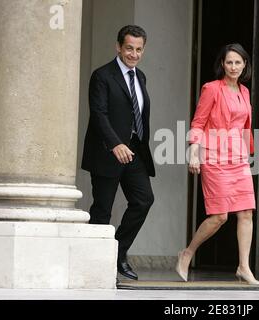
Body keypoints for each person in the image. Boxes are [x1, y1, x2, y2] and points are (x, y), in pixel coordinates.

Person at [176, 43, 259, 285]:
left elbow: (245, 126)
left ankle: (243, 267)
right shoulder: (212, 89)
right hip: (214, 155)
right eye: (229, 62)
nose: (233, 67)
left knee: (246, 213)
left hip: (239, 158)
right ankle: (188, 253)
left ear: (244, 65)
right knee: (220, 216)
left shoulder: (244, 92)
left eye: (238, 62)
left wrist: (248, 153)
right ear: (222, 65)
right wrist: (194, 152)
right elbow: (198, 121)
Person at [81, 25, 155, 281]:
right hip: (107, 152)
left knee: (144, 200)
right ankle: (92, 266)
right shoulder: (102, 76)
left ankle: (117, 253)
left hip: (134, 152)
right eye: (129, 48)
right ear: (118, 47)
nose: (133, 54)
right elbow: (99, 114)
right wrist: (115, 144)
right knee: (102, 209)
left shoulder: (141, 77)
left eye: (138, 49)